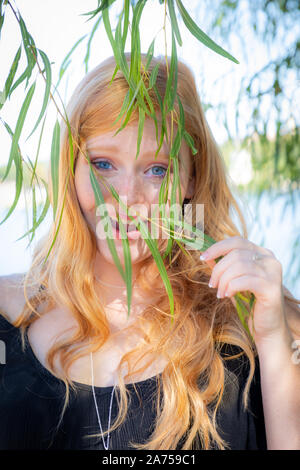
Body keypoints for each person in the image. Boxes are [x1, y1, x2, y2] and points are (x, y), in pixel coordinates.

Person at [0, 52, 299, 451]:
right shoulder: (7, 315)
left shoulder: (252, 322)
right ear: (70, 170)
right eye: (103, 164)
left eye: (156, 169)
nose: (127, 199)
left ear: (191, 179)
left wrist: (273, 337)